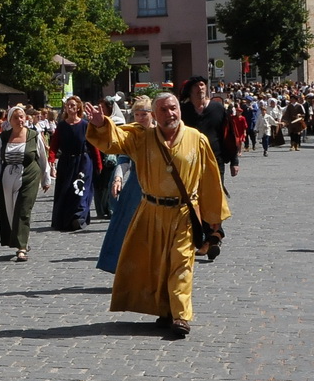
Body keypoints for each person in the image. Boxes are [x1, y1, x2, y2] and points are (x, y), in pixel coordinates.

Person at [84, 94, 230, 339]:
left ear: (179, 110)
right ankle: (166, 309)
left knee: (182, 262)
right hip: (151, 212)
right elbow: (114, 141)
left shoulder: (197, 140)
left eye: (173, 108)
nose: (169, 113)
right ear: (154, 114)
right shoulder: (141, 138)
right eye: (163, 110)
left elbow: (210, 181)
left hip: (184, 212)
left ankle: (181, 315)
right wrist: (101, 124)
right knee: (158, 264)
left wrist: (214, 220)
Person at [0, 103, 52, 262]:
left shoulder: (33, 135)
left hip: (29, 175)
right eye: (15, 117)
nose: (19, 120)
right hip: (8, 177)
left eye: (21, 117)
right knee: (11, 210)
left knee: (23, 209)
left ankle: (21, 247)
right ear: (10, 120)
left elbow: (42, 158)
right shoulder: (2, 138)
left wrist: (46, 178)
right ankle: (18, 239)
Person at [97, 96, 153, 274]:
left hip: (157, 185)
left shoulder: (161, 134)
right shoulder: (131, 134)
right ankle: (123, 268)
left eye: (144, 114)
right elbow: (124, 159)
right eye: (137, 114)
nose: (140, 118)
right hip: (135, 187)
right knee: (126, 227)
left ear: (152, 114)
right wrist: (118, 179)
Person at [181, 79, 239, 186]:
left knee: (216, 195)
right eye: (196, 86)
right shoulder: (182, 111)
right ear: (189, 90)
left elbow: (230, 134)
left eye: (202, 85)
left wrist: (234, 161)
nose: (200, 88)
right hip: (189, 161)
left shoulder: (218, 108)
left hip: (215, 160)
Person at [49, 95, 94, 232]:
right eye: (68, 106)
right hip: (66, 162)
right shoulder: (62, 126)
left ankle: (78, 217)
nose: (70, 108)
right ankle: (65, 220)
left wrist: (98, 164)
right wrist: (51, 162)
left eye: (73, 105)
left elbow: (93, 146)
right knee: (66, 191)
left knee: (80, 191)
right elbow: (54, 145)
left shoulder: (85, 125)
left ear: (78, 107)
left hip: (83, 162)